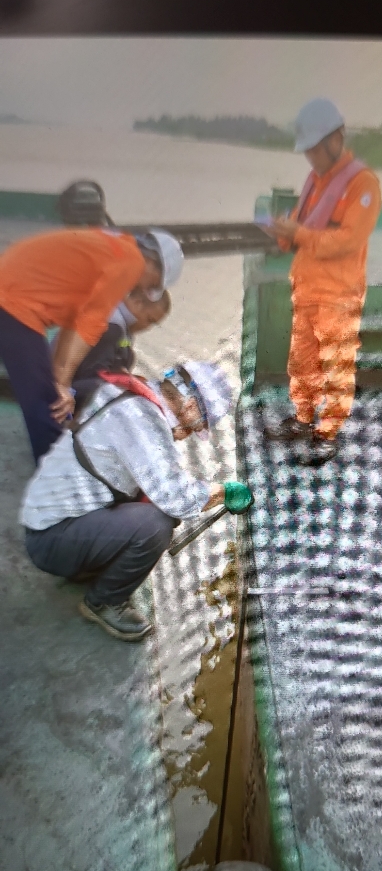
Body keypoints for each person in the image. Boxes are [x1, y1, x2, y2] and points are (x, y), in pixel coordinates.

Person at [19, 359, 235, 642]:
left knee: (155, 505)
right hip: (50, 541)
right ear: (191, 407)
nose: (189, 435)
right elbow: (178, 499)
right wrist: (225, 492)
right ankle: (103, 602)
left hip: (56, 522)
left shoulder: (133, 396)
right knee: (155, 524)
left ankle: (89, 563)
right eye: (197, 427)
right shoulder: (143, 423)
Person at [0, 224, 184, 465]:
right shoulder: (130, 263)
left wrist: (60, 381)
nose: (143, 289)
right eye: (153, 286)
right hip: (14, 303)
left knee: (50, 393)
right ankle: (57, 475)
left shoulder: (114, 246)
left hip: (9, 287)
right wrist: (61, 385)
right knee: (48, 404)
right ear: (153, 264)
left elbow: (75, 323)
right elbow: (88, 325)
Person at [264, 98, 382, 466]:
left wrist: (297, 233)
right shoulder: (314, 181)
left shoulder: (363, 184)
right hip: (307, 288)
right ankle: (302, 418)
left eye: (315, 148)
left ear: (337, 138)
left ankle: (328, 432)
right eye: (307, 150)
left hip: (339, 294)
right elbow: (303, 228)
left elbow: (348, 240)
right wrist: (283, 233)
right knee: (301, 361)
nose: (311, 157)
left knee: (337, 366)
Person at [61, 288, 172, 410]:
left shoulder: (120, 326)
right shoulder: (112, 327)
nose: (148, 327)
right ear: (137, 303)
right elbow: (92, 382)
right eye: (149, 320)